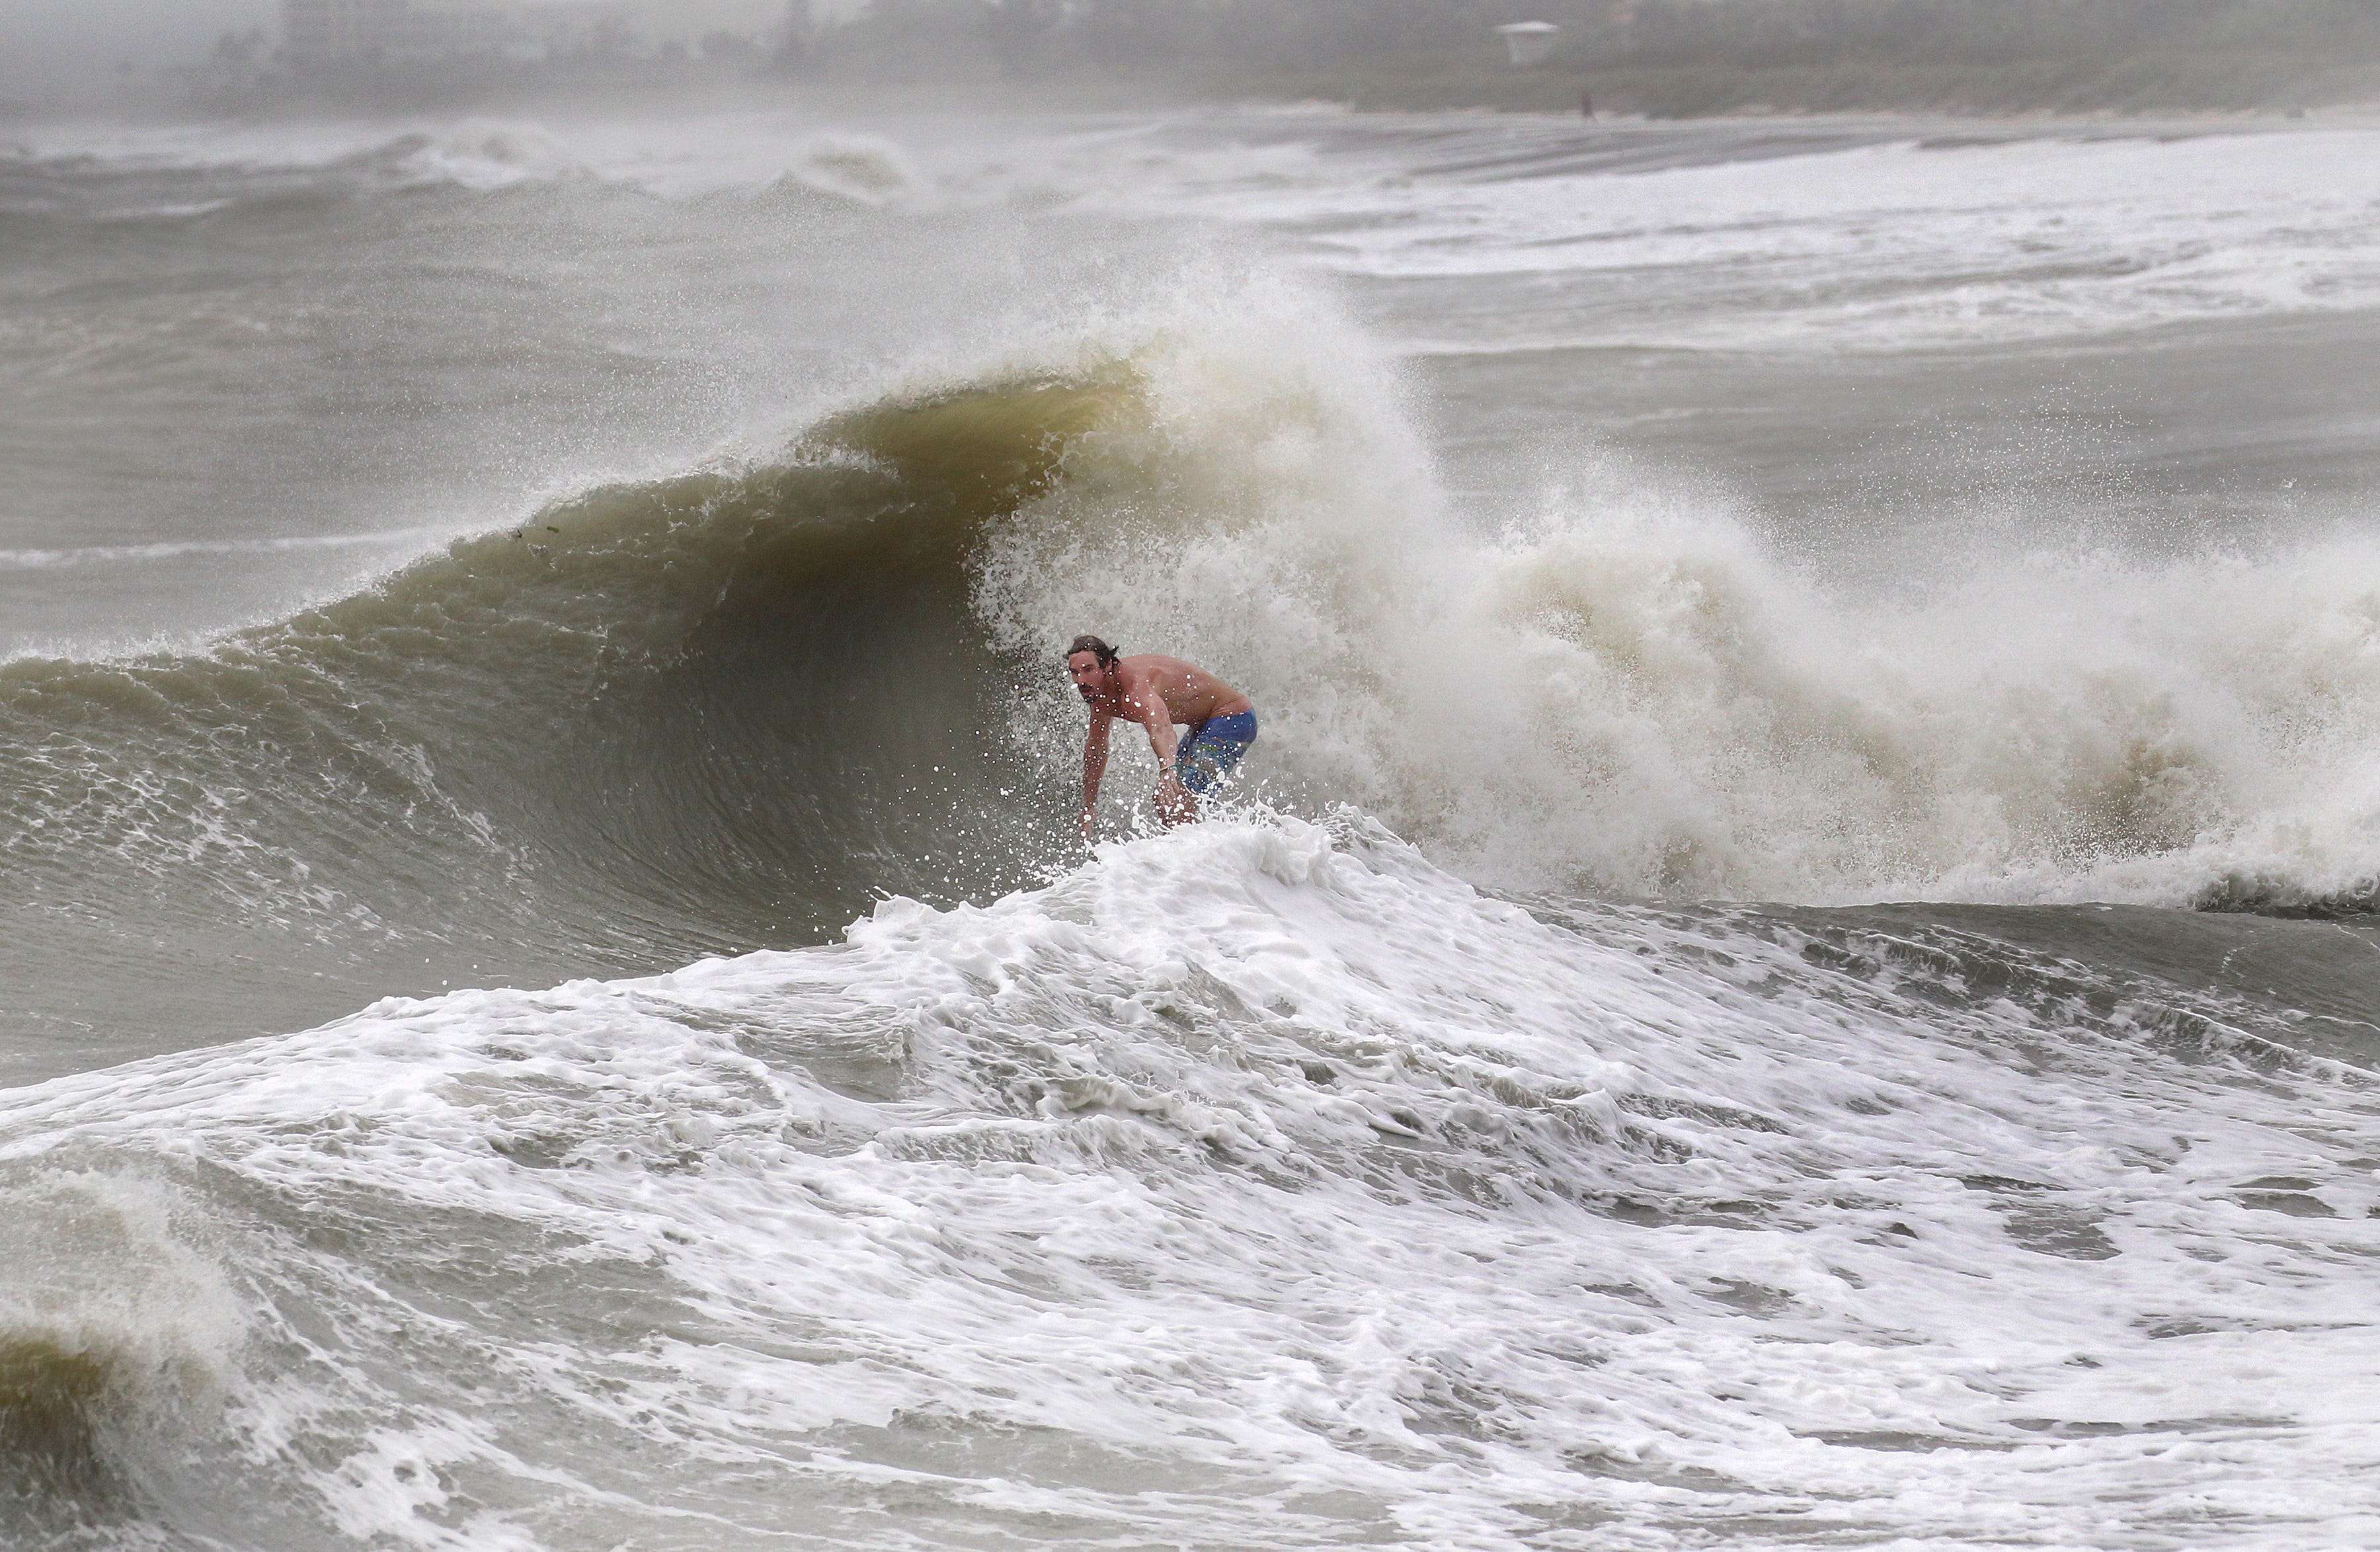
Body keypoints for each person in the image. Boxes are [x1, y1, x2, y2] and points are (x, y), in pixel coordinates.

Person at [1066, 634, 1257, 837]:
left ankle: (1205, 858)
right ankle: (1208, 855)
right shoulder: (1098, 695)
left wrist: (1167, 768)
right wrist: (1089, 806)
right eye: (1075, 673)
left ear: (1108, 666)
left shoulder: (1136, 689)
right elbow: (1096, 748)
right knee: (1167, 801)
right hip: (1204, 726)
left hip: (1233, 719)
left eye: (1088, 670)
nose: (1081, 681)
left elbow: (1161, 727)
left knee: (1176, 802)